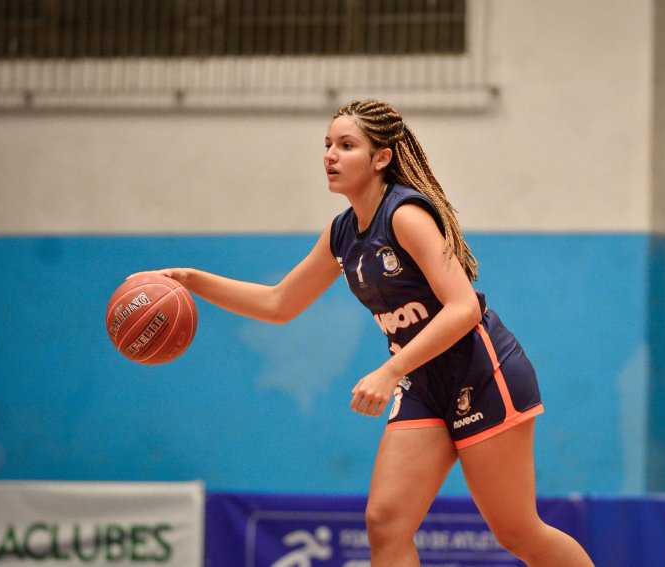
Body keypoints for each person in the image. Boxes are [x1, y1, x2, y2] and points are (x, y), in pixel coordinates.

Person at [146, 100, 594, 566]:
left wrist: (390, 369)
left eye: (346, 145)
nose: (330, 156)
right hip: (423, 383)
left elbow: (463, 308)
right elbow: (280, 305)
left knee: (518, 533)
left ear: (381, 157)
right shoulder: (342, 233)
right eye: (327, 145)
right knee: (385, 524)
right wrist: (193, 281)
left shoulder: (405, 215)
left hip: (482, 374)